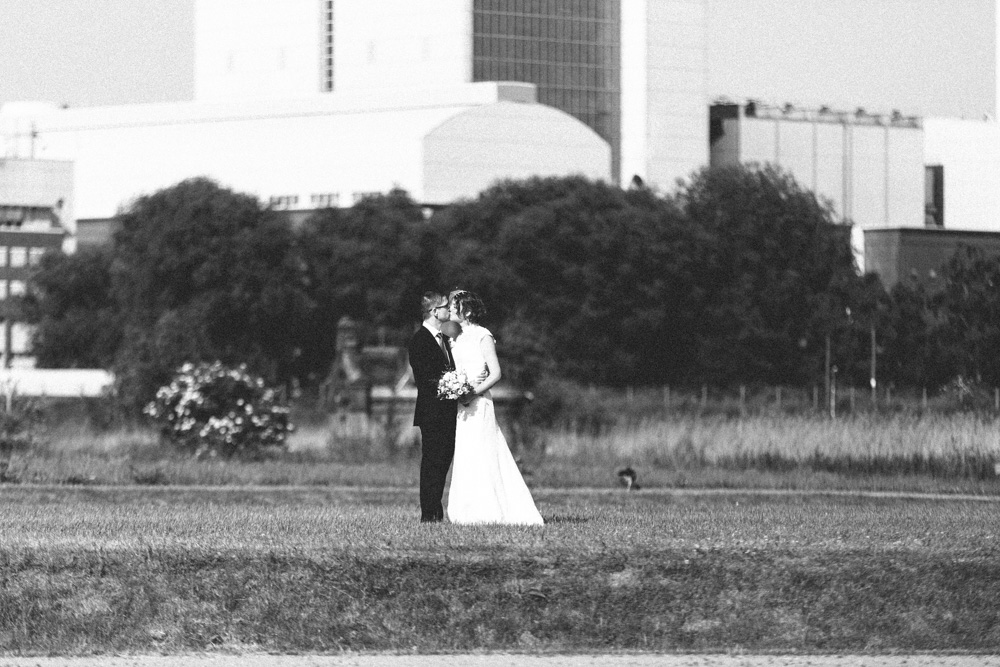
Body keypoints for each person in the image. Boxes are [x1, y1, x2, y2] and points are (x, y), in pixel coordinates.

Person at [445, 290, 544, 525]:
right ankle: (467, 512)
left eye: (453, 305)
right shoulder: (455, 338)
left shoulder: (483, 335)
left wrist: (472, 393)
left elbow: (496, 373)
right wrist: (453, 389)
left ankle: (492, 510)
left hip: (479, 405)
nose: (449, 309)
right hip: (463, 407)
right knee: (466, 455)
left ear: (466, 310)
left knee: (484, 453)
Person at [407, 291, 458, 522]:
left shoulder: (444, 339)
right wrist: (449, 386)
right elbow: (425, 378)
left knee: (442, 461)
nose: (449, 309)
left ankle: (435, 509)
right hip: (432, 412)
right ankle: (429, 513)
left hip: (446, 412)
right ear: (434, 311)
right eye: (445, 306)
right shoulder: (420, 340)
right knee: (432, 463)